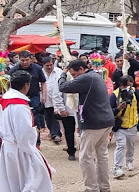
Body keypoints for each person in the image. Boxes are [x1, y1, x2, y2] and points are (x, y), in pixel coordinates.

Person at [58, 60, 115, 192]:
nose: (74, 77)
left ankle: (92, 188)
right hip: (106, 120)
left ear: (82, 69)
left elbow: (63, 87)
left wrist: (63, 74)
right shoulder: (96, 76)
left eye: (74, 74)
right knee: (102, 155)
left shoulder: (86, 77)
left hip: (94, 122)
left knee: (85, 156)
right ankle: (104, 188)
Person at [0, 70, 54, 191]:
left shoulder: (3, 100)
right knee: (32, 179)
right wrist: (32, 142)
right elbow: (24, 131)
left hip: (8, 146)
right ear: (26, 85)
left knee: (12, 180)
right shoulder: (20, 106)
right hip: (20, 149)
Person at [7, 50, 47, 143]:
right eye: (22, 60)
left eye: (26, 60)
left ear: (31, 59)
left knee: (35, 120)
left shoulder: (37, 68)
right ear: (19, 60)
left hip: (34, 97)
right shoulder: (14, 70)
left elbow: (43, 82)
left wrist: (44, 96)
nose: (25, 62)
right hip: (19, 99)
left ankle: (36, 143)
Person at [109, 75, 139, 179]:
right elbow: (109, 112)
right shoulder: (114, 96)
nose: (129, 89)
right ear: (121, 85)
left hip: (132, 125)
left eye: (131, 86)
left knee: (131, 145)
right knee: (121, 145)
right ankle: (117, 168)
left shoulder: (136, 93)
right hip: (120, 126)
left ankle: (129, 161)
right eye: (127, 86)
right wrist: (118, 109)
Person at [41, 57, 63, 144]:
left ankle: (56, 134)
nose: (50, 67)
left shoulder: (59, 72)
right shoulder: (41, 72)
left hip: (56, 98)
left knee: (55, 117)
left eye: (51, 65)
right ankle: (52, 132)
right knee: (48, 118)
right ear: (44, 65)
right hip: (45, 99)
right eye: (47, 66)